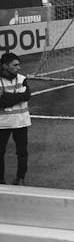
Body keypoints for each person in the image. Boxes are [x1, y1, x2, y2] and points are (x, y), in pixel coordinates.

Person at [0, 52, 31, 185]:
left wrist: (7, 98)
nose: (19, 67)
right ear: (5, 66)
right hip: (3, 123)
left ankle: (21, 177)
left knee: (22, 152)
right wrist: (19, 96)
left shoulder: (22, 78)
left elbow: (27, 95)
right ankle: (1, 179)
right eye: (15, 65)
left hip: (21, 122)